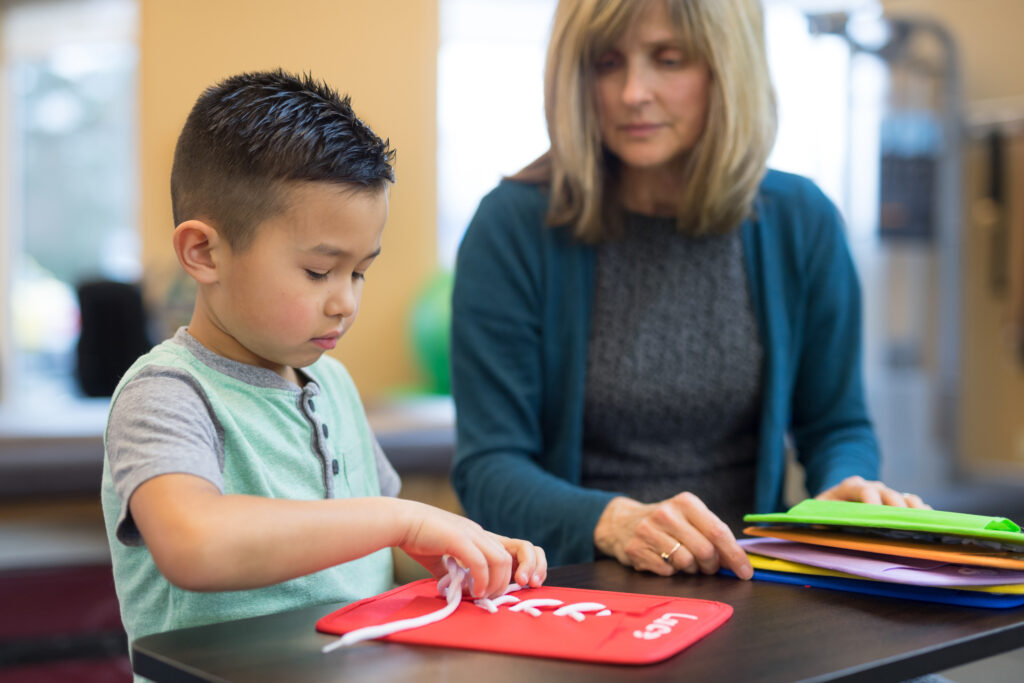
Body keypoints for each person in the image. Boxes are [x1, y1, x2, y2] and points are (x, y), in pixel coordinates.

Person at [449, 0, 928, 578]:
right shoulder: (511, 227)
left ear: (728, 70)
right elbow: (490, 469)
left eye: (669, 60)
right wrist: (613, 521)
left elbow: (837, 425)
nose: (633, 93)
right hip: (577, 584)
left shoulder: (801, 219)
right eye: (606, 63)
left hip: (756, 582)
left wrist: (841, 494)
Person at [100, 70, 546, 653]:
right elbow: (194, 545)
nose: (346, 301)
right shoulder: (167, 390)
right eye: (318, 271)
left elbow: (373, 559)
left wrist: (465, 556)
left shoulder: (331, 382)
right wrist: (402, 519)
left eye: (359, 271)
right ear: (204, 252)